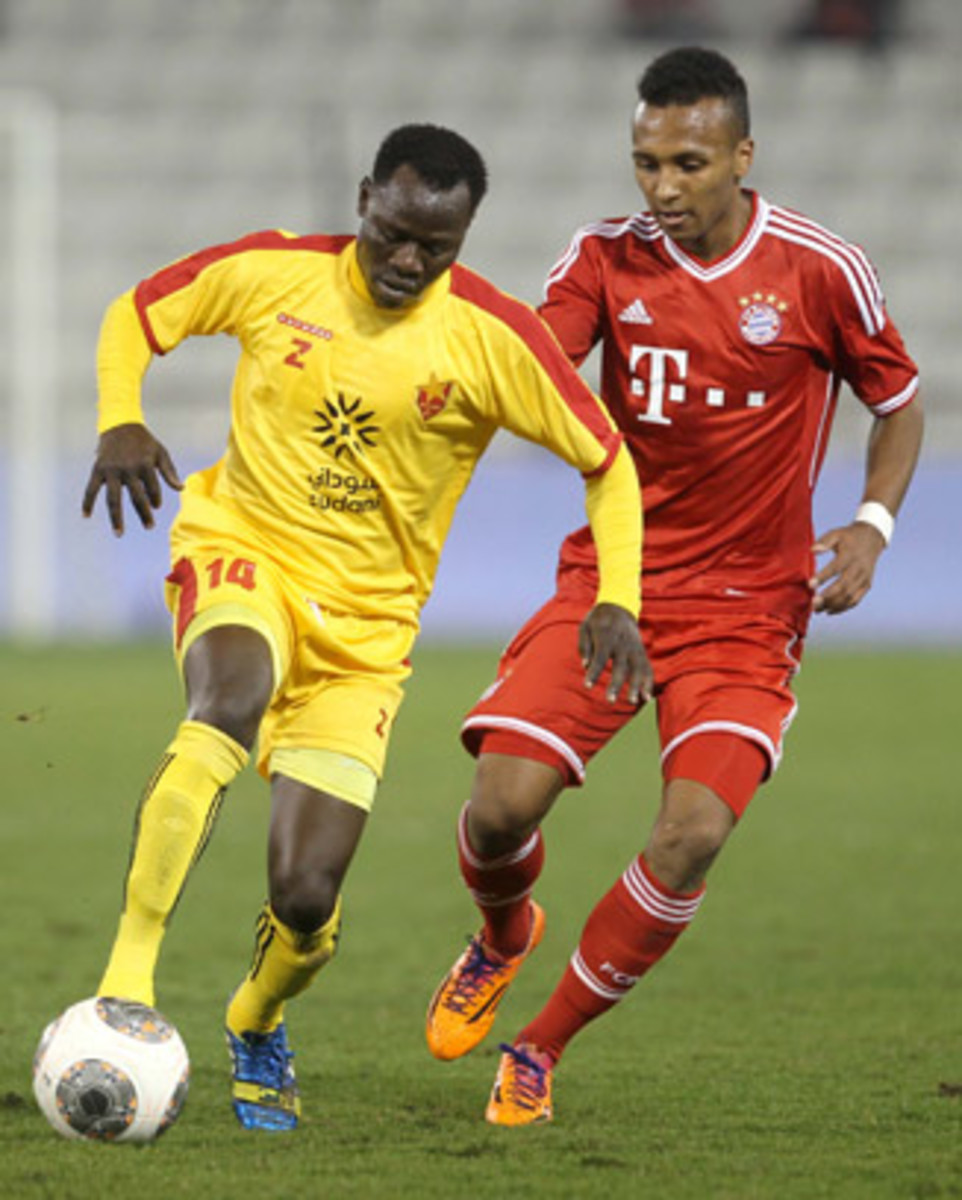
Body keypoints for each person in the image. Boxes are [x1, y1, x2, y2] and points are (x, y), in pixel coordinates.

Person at [81, 123, 652, 1133]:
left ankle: (255, 1016)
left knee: (304, 897)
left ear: (463, 236)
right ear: (362, 200)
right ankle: (127, 980)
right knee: (229, 699)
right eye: (392, 233)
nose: (406, 261)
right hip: (244, 549)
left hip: (367, 635)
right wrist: (119, 414)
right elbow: (138, 311)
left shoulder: (492, 337)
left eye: (434, 247)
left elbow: (606, 462)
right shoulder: (273, 272)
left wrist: (619, 597)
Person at [425, 47, 923, 1125]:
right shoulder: (604, 259)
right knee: (500, 811)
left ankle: (540, 1045)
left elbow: (898, 398)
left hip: (748, 610)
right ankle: (503, 934)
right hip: (613, 589)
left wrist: (872, 527)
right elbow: (536, 374)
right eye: (644, 162)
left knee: (691, 831)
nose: (660, 187)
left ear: (741, 156)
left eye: (687, 162)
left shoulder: (816, 268)